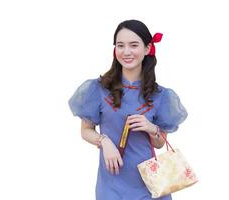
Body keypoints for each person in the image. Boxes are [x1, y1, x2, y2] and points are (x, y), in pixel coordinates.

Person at [68, 19, 188, 200]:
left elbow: (159, 144)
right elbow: (85, 131)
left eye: (133, 45)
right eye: (120, 45)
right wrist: (104, 141)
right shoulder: (98, 89)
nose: (126, 52)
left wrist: (151, 127)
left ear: (147, 49)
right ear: (114, 49)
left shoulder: (161, 95)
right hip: (112, 185)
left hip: (151, 185)